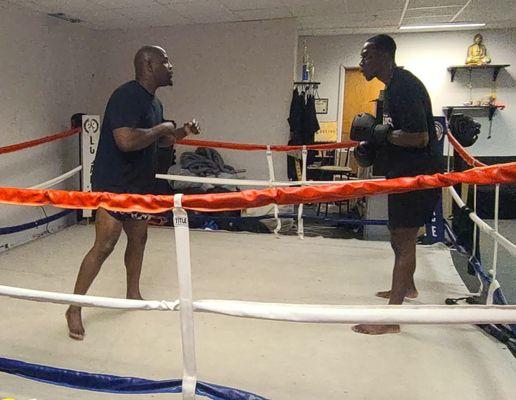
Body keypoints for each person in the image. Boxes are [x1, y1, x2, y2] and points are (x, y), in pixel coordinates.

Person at [66, 45, 201, 340]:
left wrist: (182, 131)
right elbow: (126, 140)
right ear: (149, 65)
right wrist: (160, 129)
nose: (171, 65)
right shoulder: (126, 96)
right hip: (114, 183)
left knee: (139, 238)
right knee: (104, 245)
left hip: (139, 184)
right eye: (166, 60)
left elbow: (160, 142)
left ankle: (132, 293)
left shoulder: (154, 103)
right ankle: (74, 308)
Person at [352, 35, 441, 335]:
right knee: (399, 237)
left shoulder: (404, 86)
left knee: (403, 240)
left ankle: (391, 317)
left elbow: (419, 137)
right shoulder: (390, 89)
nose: (362, 63)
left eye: (367, 56)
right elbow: (392, 133)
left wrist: (382, 135)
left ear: (384, 56)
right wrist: (372, 148)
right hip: (404, 173)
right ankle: (408, 288)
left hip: (417, 175)